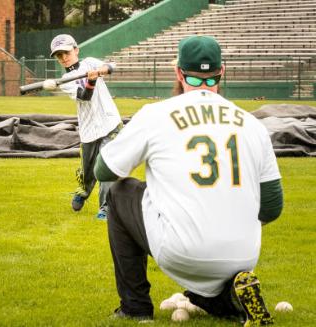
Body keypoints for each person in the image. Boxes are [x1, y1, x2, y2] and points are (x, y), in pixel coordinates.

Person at [94, 35, 283, 325]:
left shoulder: (155, 114)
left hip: (181, 251)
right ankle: (228, 299)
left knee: (120, 193)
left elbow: (103, 171)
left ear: (179, 72)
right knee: (209, 259)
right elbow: (272, 207)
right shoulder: (252, 124)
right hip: (243, 255)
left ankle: (135, 307)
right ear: (222, 72)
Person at [50, 34, 122, 219]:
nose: (64, 58)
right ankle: (83, 191)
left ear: (76, 50)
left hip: (110, 123)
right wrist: (90, 81)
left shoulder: (90, 62)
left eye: (66, 52)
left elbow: (112, 66)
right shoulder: (66, 81)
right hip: (89, 130)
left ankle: (105, 208)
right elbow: (84, 96)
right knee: (88, 171)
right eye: (59, 55)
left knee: (106, 165)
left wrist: (102, 70)